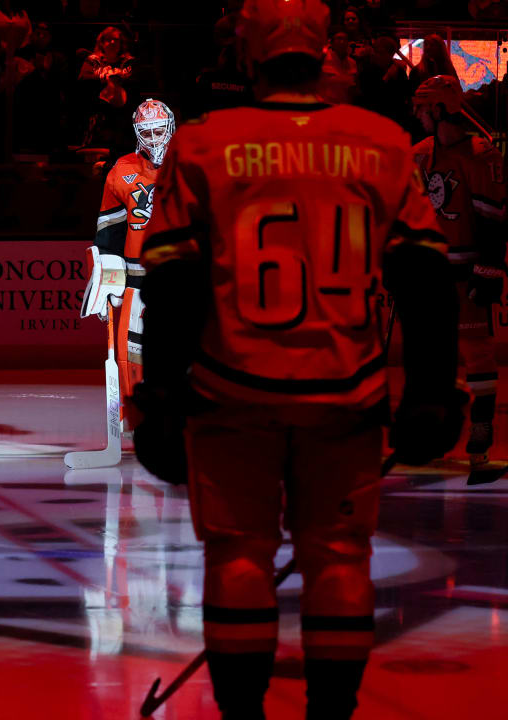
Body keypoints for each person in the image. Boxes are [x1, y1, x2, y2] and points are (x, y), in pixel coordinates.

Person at [134, 1, 463, 718]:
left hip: (231, 391)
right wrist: (433, 389)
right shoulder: (382, 143)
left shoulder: (202, 144)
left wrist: (159, 393)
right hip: (347, 392)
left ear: (245, 53)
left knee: (238, 556)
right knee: (340, 557)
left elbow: (173, 281)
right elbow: (425, 278)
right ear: (322, 54)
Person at [410, 75, 508, 463]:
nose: (418, 115)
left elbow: (493, 220)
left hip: (466, 271)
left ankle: (482, 424)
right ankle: (435, 429)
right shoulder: (418, 154)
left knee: (476, 352)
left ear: (439, 109)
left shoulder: (482, 156)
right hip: (429, 273)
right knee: (431, 357)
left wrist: (488, 269)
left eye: (422, 108)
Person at [82, 98, 175, 431]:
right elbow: (108, 234)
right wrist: (106, 282)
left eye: (159, 131)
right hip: (137, 281)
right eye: (146, 132)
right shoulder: (121, 171)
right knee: (129, 351)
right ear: (137, 133)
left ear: (171, 128)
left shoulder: (191, 163)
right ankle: (137, 416)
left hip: (181, 278)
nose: (153, 139)